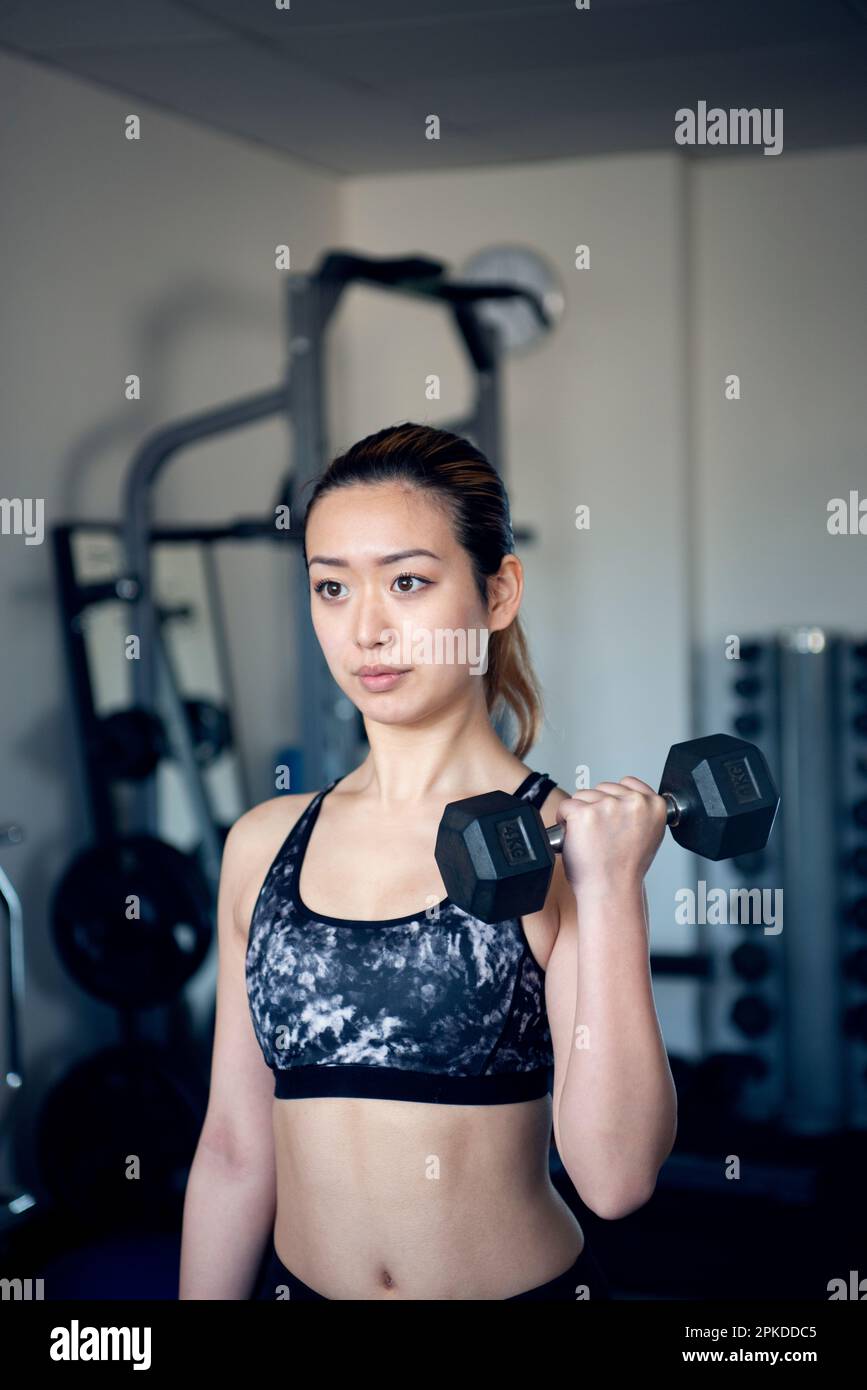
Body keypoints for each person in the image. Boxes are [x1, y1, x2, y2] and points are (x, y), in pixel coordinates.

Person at [178, 422, 677, 1301]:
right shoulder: (263, 845)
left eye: (407, 582)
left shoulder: (565, 842)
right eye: (331, 588)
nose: (365, 629)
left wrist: (612, 896)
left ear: (497, 593)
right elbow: (230, 1147)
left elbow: (615, 1178)